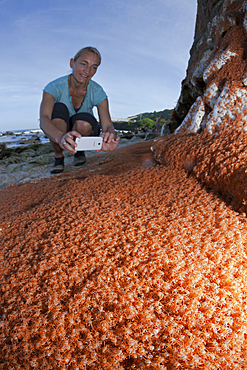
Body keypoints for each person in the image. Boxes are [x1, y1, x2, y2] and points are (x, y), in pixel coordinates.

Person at [39, 46, 120, 173]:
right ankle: (59, 157)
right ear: (72, 63)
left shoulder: (98, 91)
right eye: (83, 64)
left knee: (82, 122)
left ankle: (79, 151)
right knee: (57, 110)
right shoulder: (53, 87)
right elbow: (44, 119)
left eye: (94, 67)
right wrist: (60, 137)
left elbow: (108, 125)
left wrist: (110, 136)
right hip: (62, 128)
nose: (87, 71)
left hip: (83, 128)